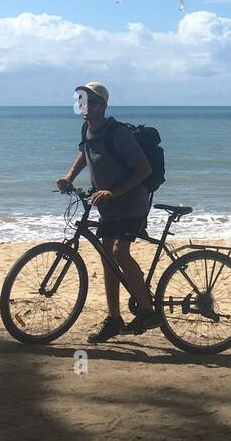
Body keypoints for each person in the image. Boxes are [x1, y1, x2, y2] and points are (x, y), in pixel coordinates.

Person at [57, 81, 161, 342]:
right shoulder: (87, 128)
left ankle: (148, 311)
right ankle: (114, 319)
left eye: (91, 101)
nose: (85, 105)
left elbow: (143, 169)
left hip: (132, 203)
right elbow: (86, 153)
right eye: (82, 100)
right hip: (108, 206)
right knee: (107, 259)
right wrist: (69, 177)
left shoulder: (118, 133)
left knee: (118, 252)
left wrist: (114, 191)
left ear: (103, 106)